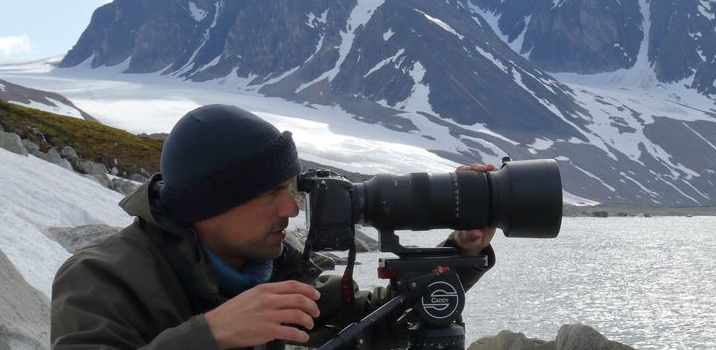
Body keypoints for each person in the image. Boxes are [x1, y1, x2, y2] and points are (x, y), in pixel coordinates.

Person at [51, 104, 496, 349]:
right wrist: (210, 335)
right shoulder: (102, 279)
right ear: (208, 205)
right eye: (269, 193)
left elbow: (377, 324)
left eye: (291, 189)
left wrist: (462, 250)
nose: (289, 209)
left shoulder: (281, 269)